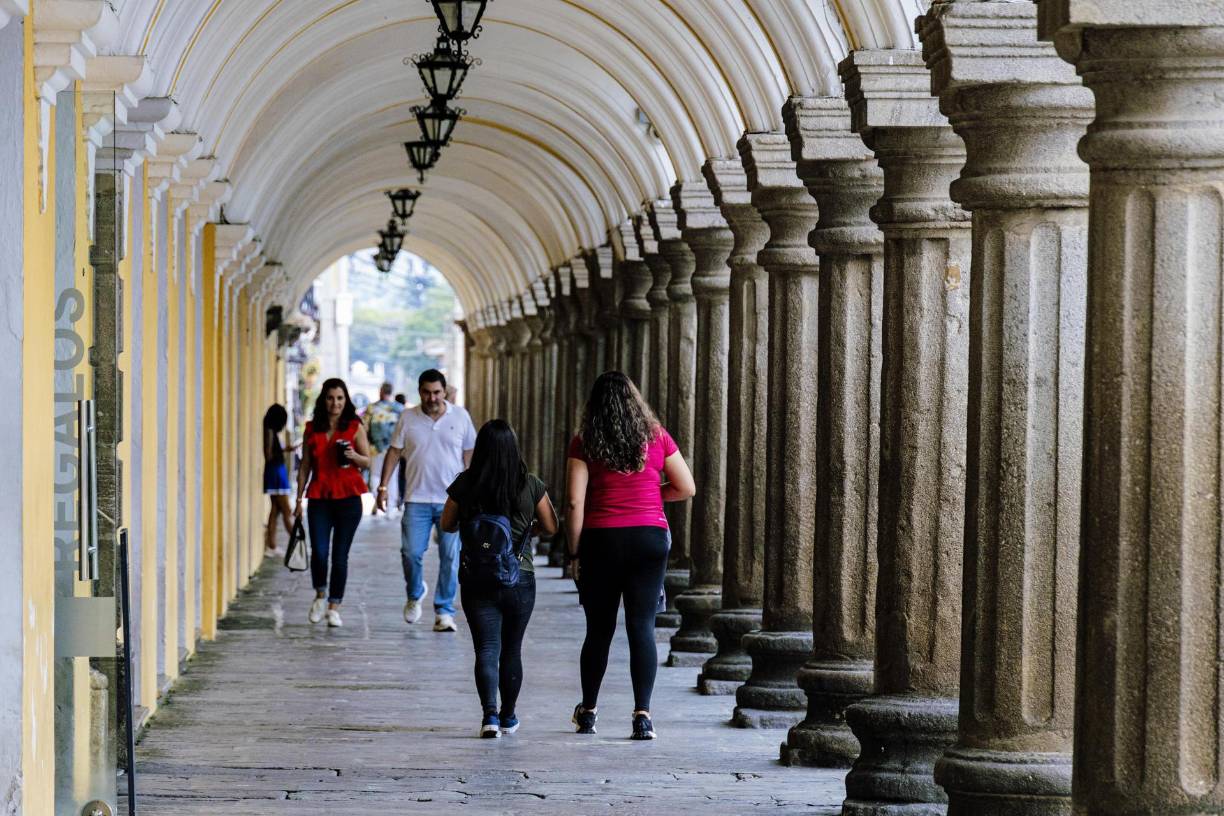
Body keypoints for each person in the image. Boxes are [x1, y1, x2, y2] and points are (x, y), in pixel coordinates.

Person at [566, 371, 695, 740]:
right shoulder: (656, 437)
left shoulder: (584, 441)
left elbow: (575, 502)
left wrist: (574, 551)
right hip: (648, 539)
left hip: (602, 539)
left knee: (599, 630)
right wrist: (652, 498)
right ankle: (643, 715)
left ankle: (588, 710)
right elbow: (686, 487)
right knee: (641, 627)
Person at [440, 420, 559, 738]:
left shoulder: (466, 484)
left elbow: (446, 524)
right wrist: (526, 532)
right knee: (512, 649)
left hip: (478, 576)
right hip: (519, 575)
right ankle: (509, 716)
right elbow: (550, 526)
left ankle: (489, 717)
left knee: (487, 648)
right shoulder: (529, 484)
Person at [376, 369, 477, 632]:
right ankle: (415, 591)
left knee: (450, 556)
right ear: (419, 392)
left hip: (452, 499)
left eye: (436, 392)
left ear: (445, 392)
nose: (431, 398)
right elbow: (395, 451)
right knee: (410, 552)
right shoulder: (408, 417)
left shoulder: (461, 416)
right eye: (426, 392)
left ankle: (444, 610)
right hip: (416, 498)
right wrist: (383, 486)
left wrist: (473, 492)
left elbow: (470, 455)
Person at [294, 378, 372, 628]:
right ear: (323, 400)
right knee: (319, 551)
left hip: (349, 497)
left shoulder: (354, 425)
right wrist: (298, 498)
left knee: (340, 555)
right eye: (330, 398)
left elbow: (367, 461)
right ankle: (319, 593)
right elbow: (305, 465)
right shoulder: (311, 428)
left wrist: (353, 455)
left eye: (339, 398)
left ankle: (334, 606)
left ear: (345, 400)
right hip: (319, 497)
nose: (335, 403)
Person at [363, 382, 404, 515]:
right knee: (392, 477)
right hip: (394, 448)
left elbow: (365, 428)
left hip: (375, 448)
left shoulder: (371, 408)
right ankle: (390, 506)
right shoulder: (399, 408)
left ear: (381, 391)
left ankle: (378, 499)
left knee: (375, 476)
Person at [262, 404, 296, 554]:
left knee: (275, 510)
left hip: (276, 471)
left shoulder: (271, 431)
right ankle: (297, 543)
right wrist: (279, 452)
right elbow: (268, 454)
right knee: (286, 510)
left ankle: (272, 545)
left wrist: (284, 449)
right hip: (276, 472)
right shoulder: (269, 431)